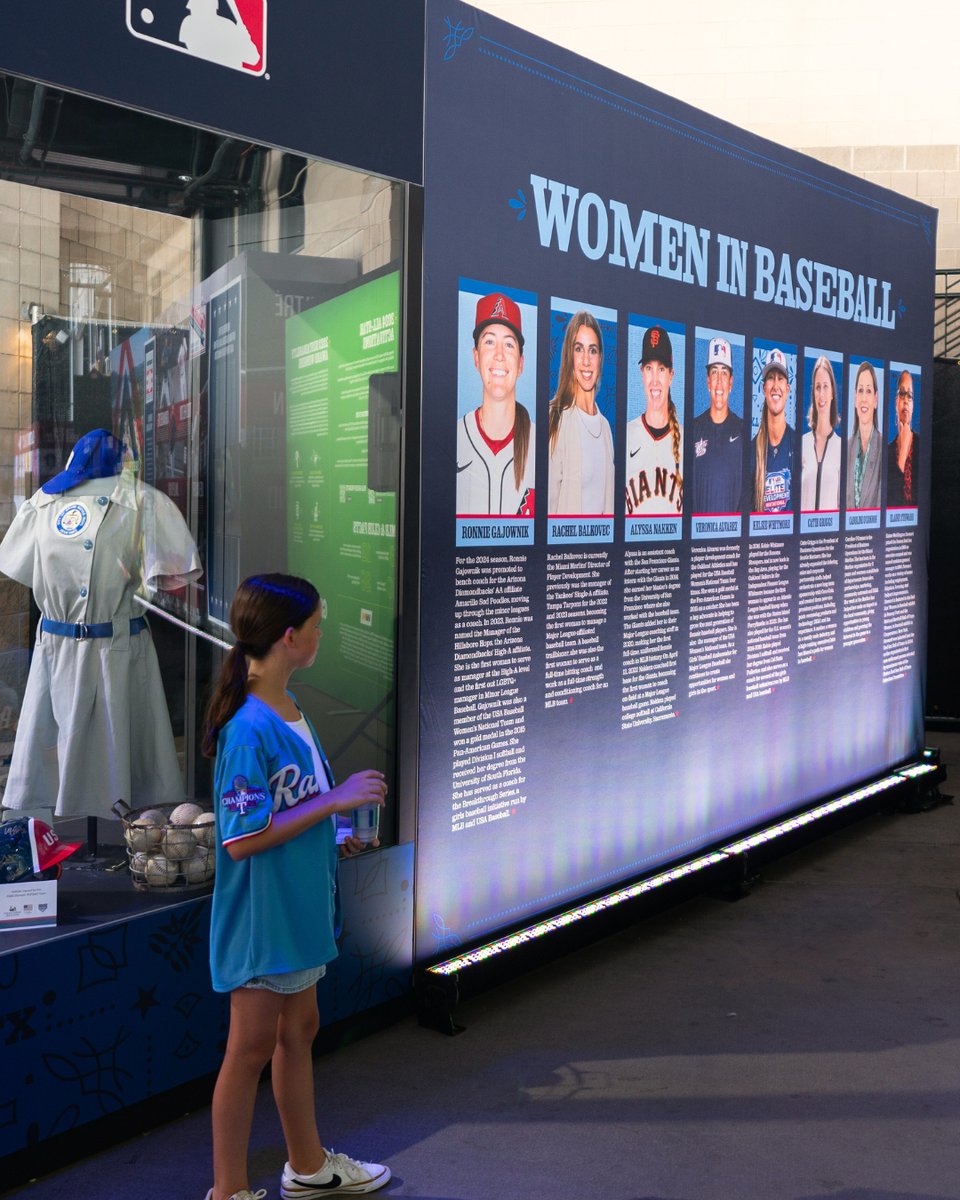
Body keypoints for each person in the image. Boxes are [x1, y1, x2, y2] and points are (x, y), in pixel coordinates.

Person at [201, 574, 390, 1200]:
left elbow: (291, 808)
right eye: (316, 625)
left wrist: (333, 832)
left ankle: (308, 1167)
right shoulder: (248, 728)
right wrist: (334, 801)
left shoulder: (290, 707)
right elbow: (242, 838)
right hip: (265, 920)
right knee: (250, 1048)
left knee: (299, 1029)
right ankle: (228, 1191)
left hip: (299, 910)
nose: (321, 633)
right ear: (290, 636)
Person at [0, 429, 201, 821]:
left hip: (117, 650)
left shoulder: (143, 503)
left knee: (117, 754)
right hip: (58, 649)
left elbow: (173, 569)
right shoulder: (43, 502)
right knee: (61, 750)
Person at [456, 292, 535, 516]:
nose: (499, 355)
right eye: (489, 342)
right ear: (476, 357)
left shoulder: (541, 445)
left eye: (509, 344)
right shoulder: (454, 438)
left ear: (521, 364)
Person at [547, 310, 614, 514]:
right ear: (570, 356)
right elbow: (547, 506)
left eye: (592, 350)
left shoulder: (605, 428)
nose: (586, 361)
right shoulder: (554, 417)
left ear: (600, 358)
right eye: (579, 349)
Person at [624, 324, 683, 515]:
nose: (655, 380)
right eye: (649, 368)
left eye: (662, 369)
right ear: (642, 373)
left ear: (671, 376)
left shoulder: (685, 441)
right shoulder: (625, 436)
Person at [690, 336, 743, 514]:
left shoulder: (742, 431)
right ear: (708, 381)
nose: (719, 381)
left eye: (724, 373)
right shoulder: (693, 429)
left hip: (732, 531)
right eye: (714, 372)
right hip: (699, 530)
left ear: (731, 383)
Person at [747, 347, 795, 513]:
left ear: (787, 389)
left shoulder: (798, 445)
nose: (775, 385)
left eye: (780, 379)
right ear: (763, 388)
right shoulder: (752, 450)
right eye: (770, 378)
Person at [800, 356, 841, 512]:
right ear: (813, 393)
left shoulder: (842, 448)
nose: (822, 394)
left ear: (832, 393)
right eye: (818, 387)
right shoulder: (802, 444)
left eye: (826, 386)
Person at [846, 361, 881, 510]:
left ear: (876, 399)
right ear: (855, 398)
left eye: (869, 391)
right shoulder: (846, 448)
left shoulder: (884, 449)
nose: (864, 398)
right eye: (860, 391)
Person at [887, 369, 920, 505]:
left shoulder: (922, 446)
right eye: (901, 394)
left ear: (913, 406)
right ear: (896, 402)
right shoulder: (887, 452)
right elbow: (890, 501)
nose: (906, 400)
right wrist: (903, 452)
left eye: (910, 396)